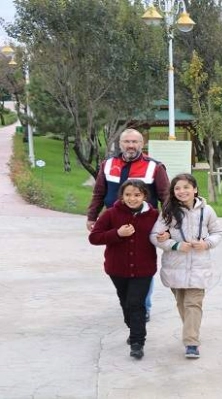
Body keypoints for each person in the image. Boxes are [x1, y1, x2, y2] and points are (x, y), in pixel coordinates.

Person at [86, 128, 170, 322]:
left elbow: (166, 197)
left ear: (142, 144)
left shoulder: (155, 167)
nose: (131, 145)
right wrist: (92, 216)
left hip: (144, 222)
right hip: (115, 220)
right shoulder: (107, 164)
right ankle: (128, 301)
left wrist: (167, 224)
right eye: (127, 142)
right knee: (118, 260)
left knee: (143, 262)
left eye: (135, 142)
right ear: (120, 144)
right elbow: (99, 193)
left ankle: (143, 305)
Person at [150, 174, 222, 359]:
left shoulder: (207, 211)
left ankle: (191, 342)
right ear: (173, 192)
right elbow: (154, 236)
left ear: (195, 189)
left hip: (199, 266)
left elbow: (217, 232)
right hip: (175, 266)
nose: (182, 191)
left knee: (193, 303)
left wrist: (206, 243)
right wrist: (174, 244)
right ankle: (192, 329)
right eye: (177, 188)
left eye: (186, 187)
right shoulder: (168, 212)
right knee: (182, 303)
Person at [88, 180, 159, 360]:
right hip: (117, 268)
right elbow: (94, 237)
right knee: (126, 302)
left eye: (137, 195)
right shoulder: (111, 214)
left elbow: (167, 232)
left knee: (136, 303)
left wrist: (165, 235)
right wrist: (117, 234)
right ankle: (133, 327)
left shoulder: (154, 215)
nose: (132, 198)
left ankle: (137, 342)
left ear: (144, 196)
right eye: (128, 194)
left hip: (144, 269)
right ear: (122, 195)